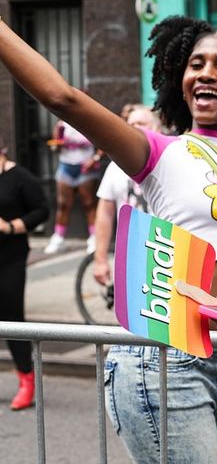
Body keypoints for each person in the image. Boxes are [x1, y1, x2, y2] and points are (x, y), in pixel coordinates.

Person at [0, 8, 217, 464]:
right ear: (178, 80)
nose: (204, 73)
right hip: (164, 361)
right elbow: (63, 98)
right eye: (194, 63)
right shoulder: (158, 152)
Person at [0, 137, 49, 410]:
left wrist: (10, 227)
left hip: (10, 257)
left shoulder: (20, 177)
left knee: (11, 317)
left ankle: (26, 381)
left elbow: (42, 210)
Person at [91, 105, 164, 286]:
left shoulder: (171, 159)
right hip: (130, 261)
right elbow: (105, 213)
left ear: (157, 129)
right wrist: (100, 259)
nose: (135, 128)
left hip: (167, 259)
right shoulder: (115, 166)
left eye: (141, 123)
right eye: (130, 124)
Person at [44, 118, 102, 254]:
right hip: (66, 167)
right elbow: (55, 147)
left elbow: (102, 145)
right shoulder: (61, 125)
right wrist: (57, 142)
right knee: (63, 204)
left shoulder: (90, 123)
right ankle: (58, 237)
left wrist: (95, 159)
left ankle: (94, 238)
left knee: (89, 203)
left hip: (85, 168)